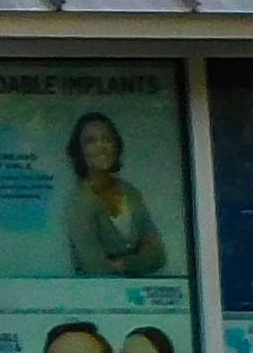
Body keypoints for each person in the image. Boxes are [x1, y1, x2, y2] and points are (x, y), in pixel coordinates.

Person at [55, 112, 169, 276]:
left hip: (138, 290)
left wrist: (120, 263)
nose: (101, 146)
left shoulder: (130, 192)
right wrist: (138, 259)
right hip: (97, 291)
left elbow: (158, 256)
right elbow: (94, 267)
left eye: (107, 139)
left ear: (116, 146)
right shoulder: (78, 202)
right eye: (91, 141)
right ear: (79, 151)